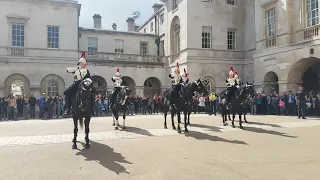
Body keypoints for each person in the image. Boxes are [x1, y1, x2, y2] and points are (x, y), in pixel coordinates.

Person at [64, 51, 91, 115]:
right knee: (67, 92)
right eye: (81, 63)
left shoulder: (87, 70)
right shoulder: (76, 69)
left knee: (92, 92)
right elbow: (67, 70)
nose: (83, 64)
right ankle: (68, 107)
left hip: (84, 83)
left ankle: (92, 108)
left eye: (84, 63)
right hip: (76, 83)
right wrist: (76, 68)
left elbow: (88, 78)